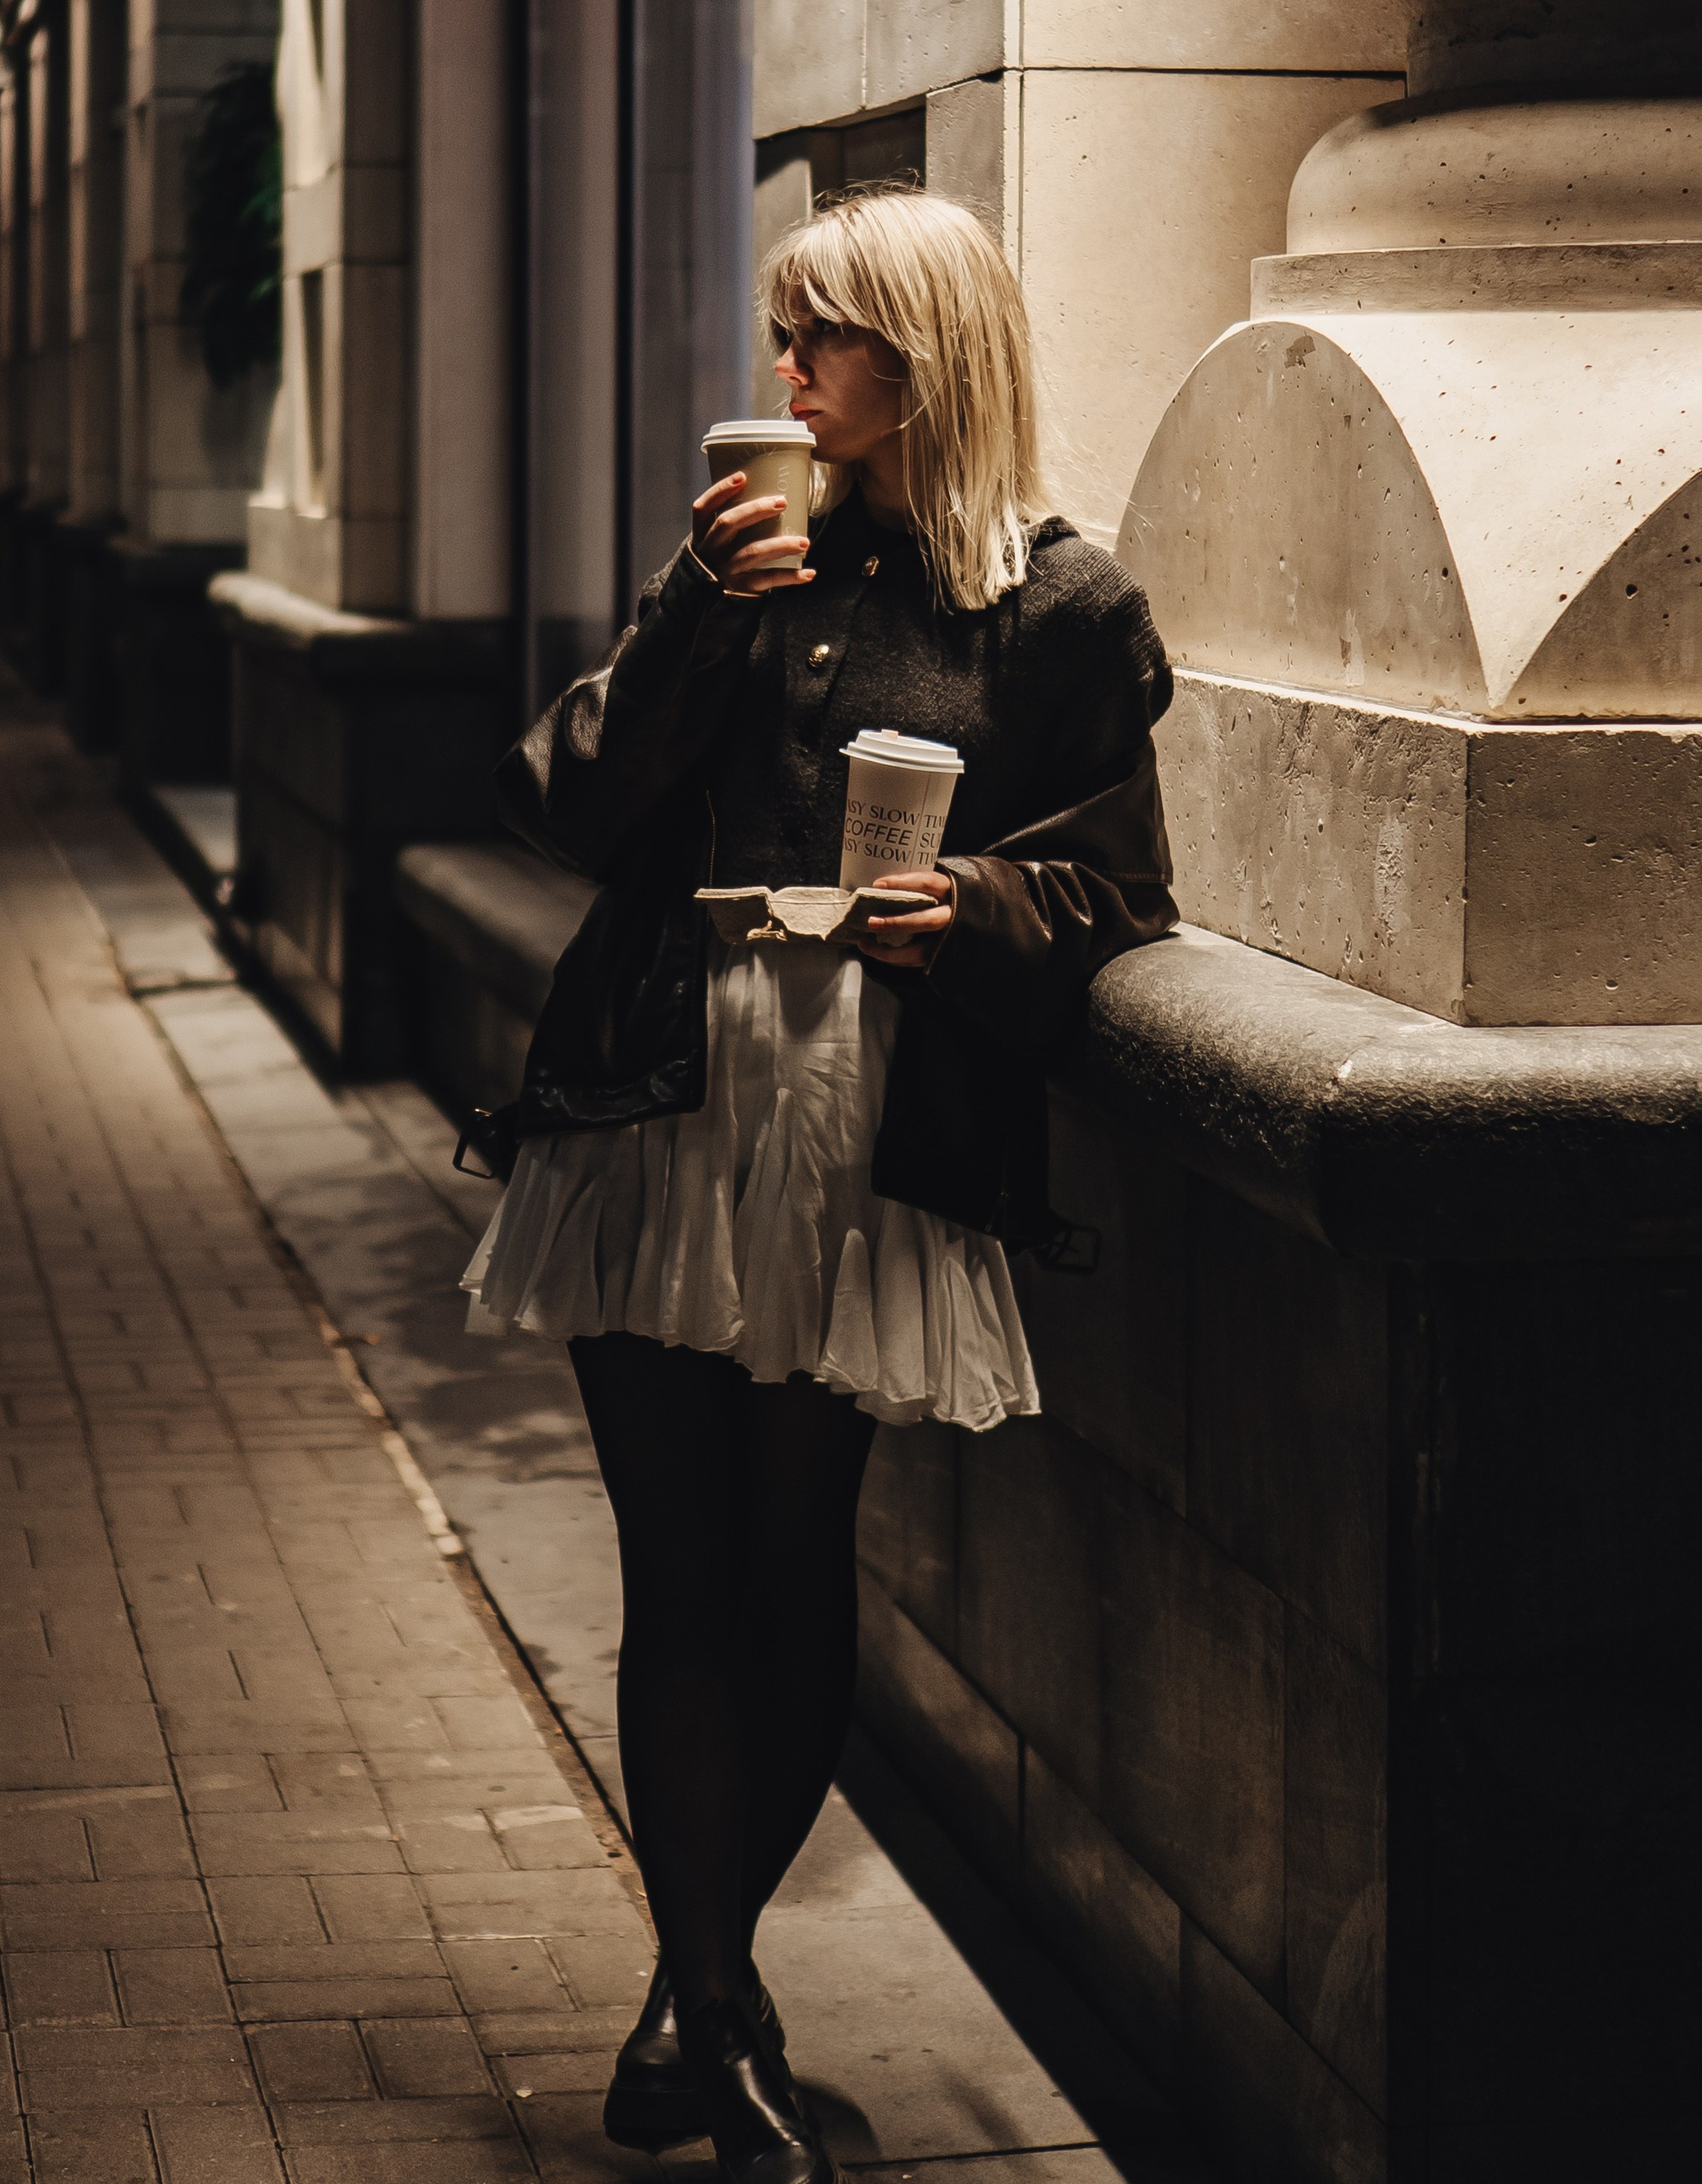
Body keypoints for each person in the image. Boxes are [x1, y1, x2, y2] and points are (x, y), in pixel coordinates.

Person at [463, 188, 1175, 2184]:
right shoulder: (742, 559)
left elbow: (1121, 880)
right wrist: (697, 606)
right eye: (782, 332)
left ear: (922, 361)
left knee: (792, 1571)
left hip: (863, 1129)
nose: (782, 369)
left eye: (820, 337)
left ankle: (696, 1998)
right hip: (660, 1103)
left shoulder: (1063, 608)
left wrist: (981, 907)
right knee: (677, 1573)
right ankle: (717, 2018)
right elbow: (571, 802)